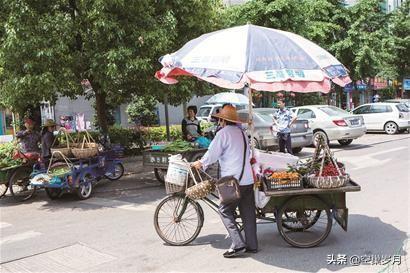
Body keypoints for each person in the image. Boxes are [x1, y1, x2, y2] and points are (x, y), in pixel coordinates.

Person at [192, 105, 257, 258]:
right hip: (247, 179)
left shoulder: (223, 134)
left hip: (233, 181)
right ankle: (252, 245)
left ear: (222, 120)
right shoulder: (242, 133)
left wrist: (200, 163)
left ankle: (238, 244)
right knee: (248, 213)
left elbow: (212, 154)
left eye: (220, 119)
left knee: (225, 210)